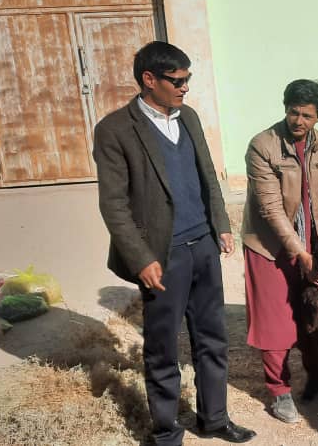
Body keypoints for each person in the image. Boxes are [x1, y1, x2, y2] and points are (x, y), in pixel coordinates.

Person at [93, 41, 255, 444]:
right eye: (177, 81)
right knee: (163, 348)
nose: (185, 88)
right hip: (161, 256)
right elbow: (113, 206)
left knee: (213, 338)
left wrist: (221, 224)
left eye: (188, 80)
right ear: (149, 80)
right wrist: (141, 258)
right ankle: (167, 433)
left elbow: (206, 175)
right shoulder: (115, 130)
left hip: (202, 246)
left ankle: (214, 418)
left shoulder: (189, 118)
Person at [241, 79, 318, 423]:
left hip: (309, 241)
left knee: (313, 311)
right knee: (276, 322)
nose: (297, 120)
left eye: (306, 115)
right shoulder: (262, 146)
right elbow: (271, 209)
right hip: (268, 246)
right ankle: (279, 391)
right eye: (292, 112)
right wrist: (300, 255)